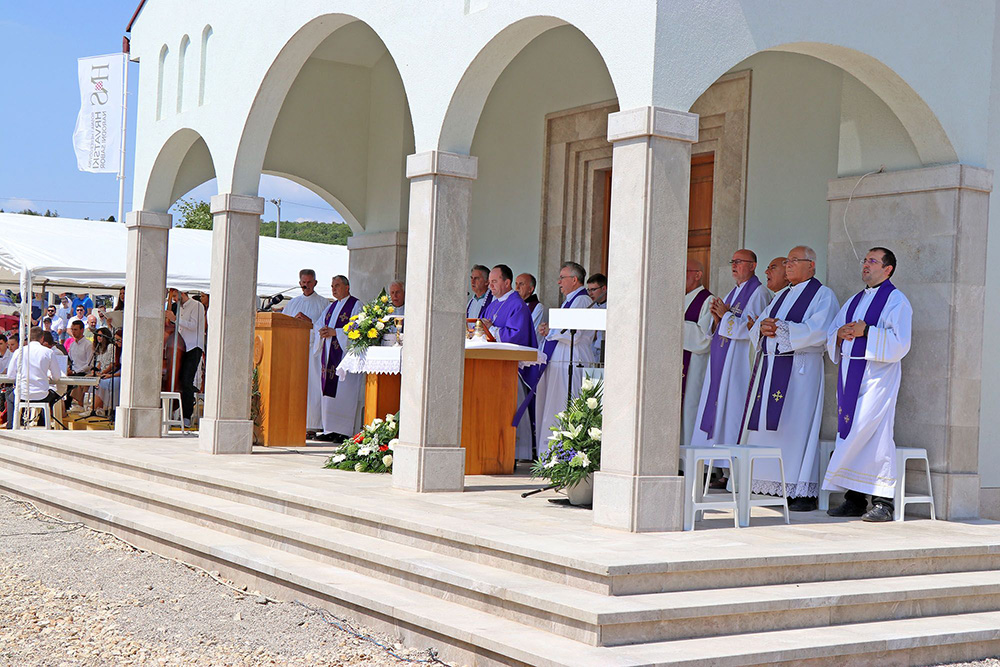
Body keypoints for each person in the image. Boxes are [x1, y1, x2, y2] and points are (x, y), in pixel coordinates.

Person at [745, 246, 840, 511]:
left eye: (794, 260)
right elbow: (760, 325)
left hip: (801, 373)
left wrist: (782, 329)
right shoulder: (781, 296)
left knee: (797, 428)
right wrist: (763, 328)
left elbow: (821, 330)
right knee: (770, 427)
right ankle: (768, 484)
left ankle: (800, 492)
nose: (788, 265)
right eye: (787, 261)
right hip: (772, 369)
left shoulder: (823, 295)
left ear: (811, 265)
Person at [824, 247, 912, 522]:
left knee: (875, 434)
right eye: (865, 260)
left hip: (877, 378)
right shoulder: (854, 300)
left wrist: (868, 332)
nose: (866, 265)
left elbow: (901, 344)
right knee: (850, 431)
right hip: (850, 375)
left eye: (873, 261)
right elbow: (833, 332)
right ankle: (854, 499)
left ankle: (883, 502)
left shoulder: (897, 301)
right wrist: (839, 334)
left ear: (888, 269)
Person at [691, 249, 769, 460]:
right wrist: (718, 320)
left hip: (739, 362)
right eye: (732, 261)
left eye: (739, 262)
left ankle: (728, 464)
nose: (734, 265)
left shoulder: (759, 293)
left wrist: (725, 316)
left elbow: (753, 329)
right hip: (722, 360)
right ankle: (712, 461)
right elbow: (718, 326)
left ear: (753, 266)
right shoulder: (731, 293)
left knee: (733, 408)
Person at [534, 261, 595, 451]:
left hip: (573, 358)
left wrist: (551, 331)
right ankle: (552, 450)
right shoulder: (570, 300)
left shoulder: (581, 300)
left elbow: (574, 333)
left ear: (574, 280)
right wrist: (549, 328)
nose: (558, 282)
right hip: (562, 359)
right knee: (556, 403)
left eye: (562, 277)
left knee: (565, 403)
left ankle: (564, 450)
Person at [481, 265, 538, 460]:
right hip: (492, 366)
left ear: (507, 282)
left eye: (494, 281)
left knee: (511, 408)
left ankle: (513, 451)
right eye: (489, 282)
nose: (490, 286)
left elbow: (517, 336)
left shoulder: (517, 304)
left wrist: (491, 330)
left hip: (509, 369)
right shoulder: (493, 304)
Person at [314, 275, 364, 441]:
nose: (333, 289)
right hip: (329, 356)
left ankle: (343, 432)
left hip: (344, 358)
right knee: (329, 394)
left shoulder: (356, 305)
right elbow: (319, 324)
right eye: (332, 286)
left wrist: (336, 332)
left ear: (347, 287)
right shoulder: (331, 307)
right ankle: (329, 430)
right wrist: (321, 331)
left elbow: (359, 329)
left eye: (337, 285)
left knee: (344, 393)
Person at [281, 269, 331, 434]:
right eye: (303, 282)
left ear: (315, 283)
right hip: (295, 351)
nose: (306, 285)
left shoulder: (324, 303)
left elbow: (326, 327)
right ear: (299, 283)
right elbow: (283, 324)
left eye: (309, 282)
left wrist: (310, 323)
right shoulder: (292, 303)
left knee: (313, 387)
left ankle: (313, 424)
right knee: (296, 387)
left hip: (314, 352)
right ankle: (294, 422)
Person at [682, 259, 713, 447]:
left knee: (690, 408)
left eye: (685, 270)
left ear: (698, 275)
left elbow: (703, 339)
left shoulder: (708, 300)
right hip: (675, 366)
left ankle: (688, 456)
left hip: (694, 367)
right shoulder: (678, 299)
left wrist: (674, 324)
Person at [165, 288, 206, 427]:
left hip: (193, 347)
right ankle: (174, 411)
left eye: (175, 296)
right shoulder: (178, 307)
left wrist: (175, 319)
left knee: (187, 381)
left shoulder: (197, 306)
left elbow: (193, 326)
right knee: (180, 380)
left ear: (182, 293)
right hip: (180, 347)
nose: (174, 299)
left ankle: (187, 415)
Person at [6, 326, 62, 429]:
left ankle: (11, 425)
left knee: (9, 397)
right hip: (42, 394)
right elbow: (57, 377)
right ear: (42, 338)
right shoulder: (48, 352)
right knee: (53, 395)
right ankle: (43, 422)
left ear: (28, 337)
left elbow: (10, 375)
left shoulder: (19, 351)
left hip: (22, 394)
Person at [65, 320, 95, 411]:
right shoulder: (72, 345)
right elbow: (70, 360)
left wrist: (75, 372)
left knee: (73, 381)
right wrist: (69, 369)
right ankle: (65, 407)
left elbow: (89, 364)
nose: (73, 332)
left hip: (83, 373)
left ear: (82, 330)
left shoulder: (88, 345)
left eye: (75, 329)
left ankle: (77, 404)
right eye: (72, 329)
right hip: (73, 372)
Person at [94, 329, 122, 416]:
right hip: (115, 373)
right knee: (96, 380)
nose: (116, 342)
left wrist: (110, 375)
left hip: (120, 374)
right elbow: (100, 363)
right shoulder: (102, 348)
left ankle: (99, 408)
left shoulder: (112, 347)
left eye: (118, 340)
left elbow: (115, 365)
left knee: (104, 382)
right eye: (115, 340)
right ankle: (96, 408)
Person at [586, 273, 607, 361]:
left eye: (593, 289)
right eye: (589, 290)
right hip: (591, 350)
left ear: (604, 289)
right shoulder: (590, 306)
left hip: (605, 350)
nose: (590, 293)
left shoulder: (612, 307)